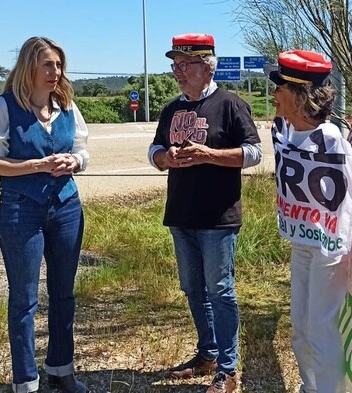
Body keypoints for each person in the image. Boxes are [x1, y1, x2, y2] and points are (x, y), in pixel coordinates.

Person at [147, 33, 262, 393]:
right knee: (192, 288)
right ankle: (207, 353)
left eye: (185, 65)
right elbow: (154, 150)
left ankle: (227, 370)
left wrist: (210, 155)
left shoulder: (230, 104)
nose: (178, 72)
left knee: (221, 290)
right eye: (175, 66)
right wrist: (165, 159)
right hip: (180, 214)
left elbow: (254, 153)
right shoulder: (170, 110)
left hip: (218, 217)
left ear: (206, 65)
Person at [0, 37, 89, 393]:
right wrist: (36, 165)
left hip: (66, 207)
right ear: (29, 68)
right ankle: (25, 381)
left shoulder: (67, 107)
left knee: (64, 293)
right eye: (48, 65)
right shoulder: (5, 107)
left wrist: (75, 161)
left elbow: (84, 152)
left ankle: (61, 368)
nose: (56, 72)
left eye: (59, 65)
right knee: (24, 299)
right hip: (20, 211)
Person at [266, 50, 352, 393]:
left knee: (321, 329)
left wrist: (336, 247)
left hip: (328, 247)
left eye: (280, 87)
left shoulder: (333, 140)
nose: (273, 93)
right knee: (301, 329)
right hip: (302, 241)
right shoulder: (287, 130)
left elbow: (345, 201)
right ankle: (310, 386)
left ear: (301, 94)